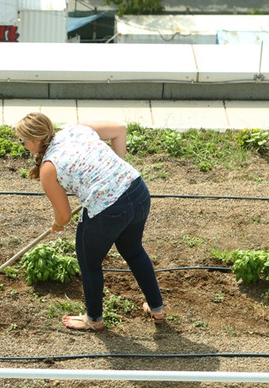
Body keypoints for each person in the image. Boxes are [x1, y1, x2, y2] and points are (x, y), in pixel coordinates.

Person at [14, 112, 165, 331]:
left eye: (22, 140)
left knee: (89, 263)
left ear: (36, 140)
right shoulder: (76, 129)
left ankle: (93, 319)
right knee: (133, 251)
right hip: (137, 191)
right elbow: (120, 129)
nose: (22, 145)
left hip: (108, 209)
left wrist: (57, 225)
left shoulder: (49, 167)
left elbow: (64, 216)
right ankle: (157, 308)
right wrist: (114, 171)